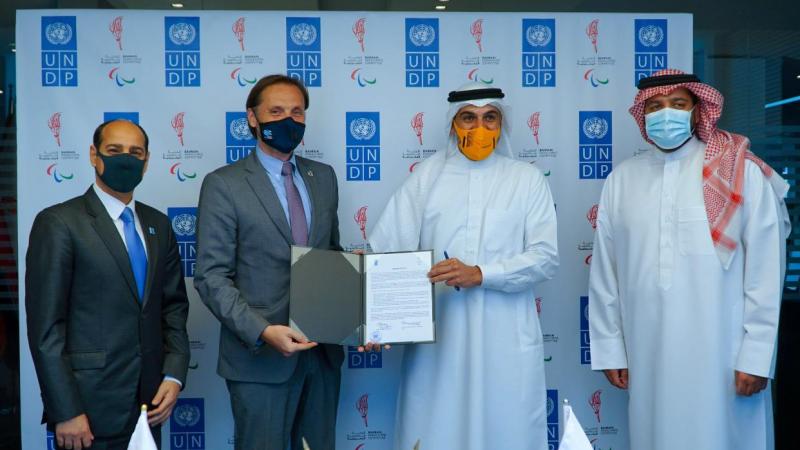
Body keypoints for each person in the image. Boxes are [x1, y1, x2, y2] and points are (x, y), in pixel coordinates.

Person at [589, 69, 791, 450]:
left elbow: (765, 272)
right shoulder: (622, 179)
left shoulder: (741, 173)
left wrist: (757, 356)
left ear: (698, 111)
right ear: (642, 115)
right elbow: (605, 274)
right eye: (656, 106)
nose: (667, 113)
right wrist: (611, 347)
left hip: (724, 354)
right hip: (647, 351)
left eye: (678, 104)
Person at [369, 82, 559, 450]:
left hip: (505, 336)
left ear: (502, 124)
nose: (479, 127)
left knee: (508, 430)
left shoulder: (526, 179)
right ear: (453, 123)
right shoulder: (427, 177)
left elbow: (545, 258)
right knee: (436, 430)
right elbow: (386, 251)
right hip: (439, 342)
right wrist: (373, 322)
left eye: (490, 118)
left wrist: (482, 273)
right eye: (468, 117)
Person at [194, 74, 344, 450]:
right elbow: (211, 277)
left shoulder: (323, 177)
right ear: (252, 118)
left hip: (321, 355)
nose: (288, 120)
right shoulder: (224, 184)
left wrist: (365, 315)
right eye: (276, 111)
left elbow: (333, 257)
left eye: (297, 112)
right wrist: (263, 330)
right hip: (259, 359)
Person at [26, 119, 190, 450]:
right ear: (93, 155)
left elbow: (173, 307)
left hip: (149, 405)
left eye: (135, 152)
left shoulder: (158, 224)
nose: (125, 159)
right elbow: (46, 328)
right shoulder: (58, 223)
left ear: (147, 161)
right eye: (114, 150)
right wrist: (66, 409)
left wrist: (173, 375)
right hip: (87, 409)